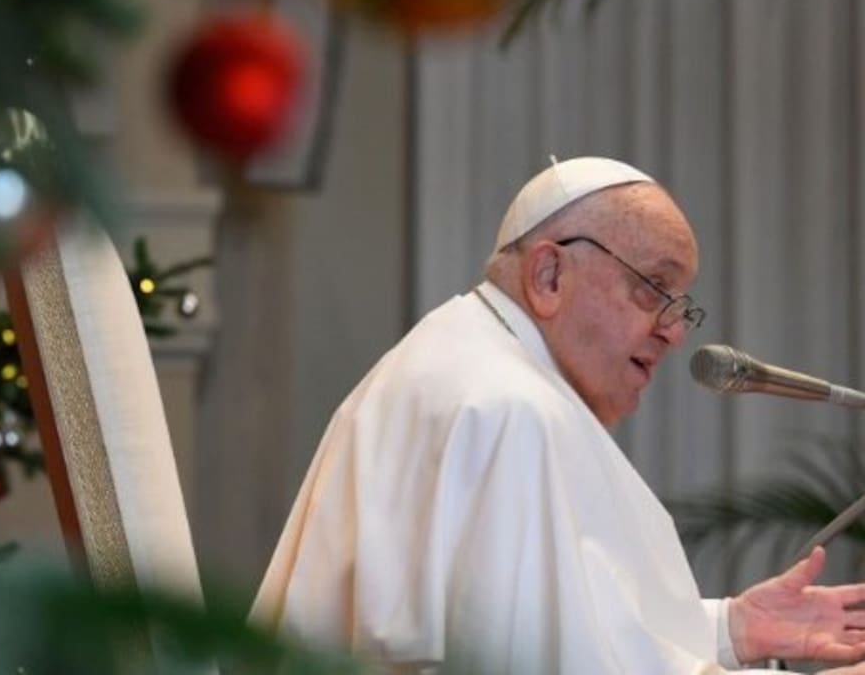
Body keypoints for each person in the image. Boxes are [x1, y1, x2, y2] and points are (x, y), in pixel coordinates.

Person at [250, 157, 865, 674]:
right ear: (548, 275)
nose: (675, 332)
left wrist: (731, 628)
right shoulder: (506, 409)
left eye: (681, 306)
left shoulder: (463, 359)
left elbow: (565, 627)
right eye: (655, 289)